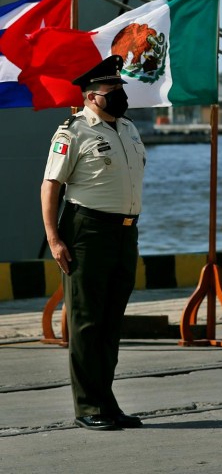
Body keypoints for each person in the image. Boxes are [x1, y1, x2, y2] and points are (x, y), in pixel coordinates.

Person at [41, 55, 146, 431]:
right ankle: (88, 406)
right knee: (86, 321)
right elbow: (50, 185)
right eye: (111, 91)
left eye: (121, 89)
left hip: (124, 232)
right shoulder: (72, 133)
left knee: (110, 321)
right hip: (87, 230)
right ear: (90, 97)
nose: (120, 96)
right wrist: (54, 239)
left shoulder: (129, 129)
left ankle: (107, 401)